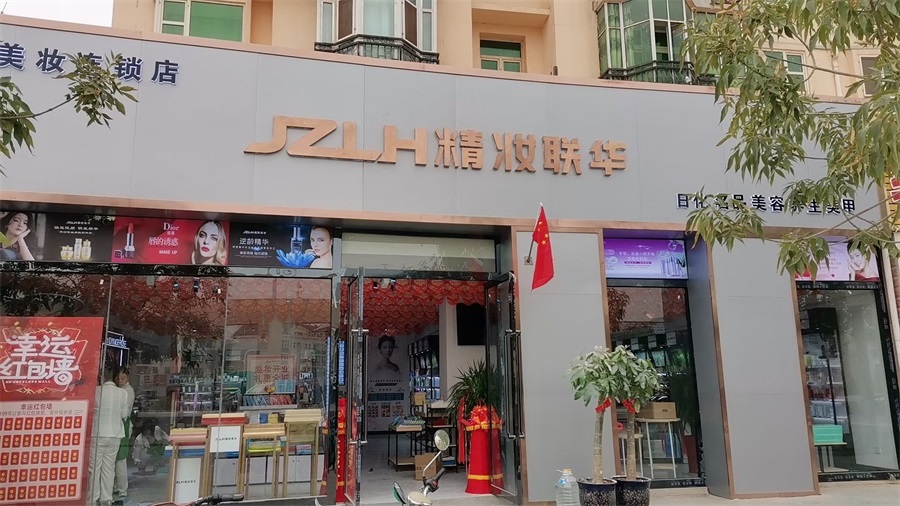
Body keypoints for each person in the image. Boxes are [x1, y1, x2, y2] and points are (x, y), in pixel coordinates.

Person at [88, 372, 130, 506]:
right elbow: (124, 414)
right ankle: (106, 498)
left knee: (94, 468)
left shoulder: (96, 391)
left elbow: (89, 411)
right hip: (115, 434)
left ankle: (92, 499)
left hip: (97, 433)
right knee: (109, 467)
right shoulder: (123, 393)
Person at [113, 367, 135, 502]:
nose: (121, 381)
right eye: (119, 378)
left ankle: (122, 489)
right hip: (118, 427)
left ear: (127, 378)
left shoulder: (128, 391)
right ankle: (117, 486)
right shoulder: (120, 390)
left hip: (124, 427)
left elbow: (124, 412)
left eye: (123, 378)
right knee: (116, 459)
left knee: (120, 459)